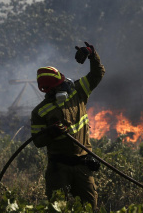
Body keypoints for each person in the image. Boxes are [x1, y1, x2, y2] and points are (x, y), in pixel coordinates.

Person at [30, 41, 105, 209]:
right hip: (58, 168)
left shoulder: (78, 91)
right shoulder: (40, 112)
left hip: (83, 165)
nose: (65, 86)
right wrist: (52, 133)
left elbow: (97, 74)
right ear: (48, 90)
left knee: (89, 208)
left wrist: (92, 54)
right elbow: (37, 141)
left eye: (64, 82)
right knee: (58, 208)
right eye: (59, 86)